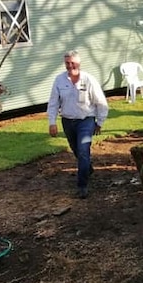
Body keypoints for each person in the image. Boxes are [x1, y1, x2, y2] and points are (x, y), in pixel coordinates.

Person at [47, 50, 109, 199]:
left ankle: (82, 186)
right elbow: (54, 103)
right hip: (67, 121)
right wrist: (52, 122)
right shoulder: (59, 80)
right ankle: (88, 168)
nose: (70, 65)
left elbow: (101, 103)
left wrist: (99, 122)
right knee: (76, 149)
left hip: (86, 120)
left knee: (82, 150)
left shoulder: (89, 80)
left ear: (78, 63)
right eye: (67, 63)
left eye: (72, 63)